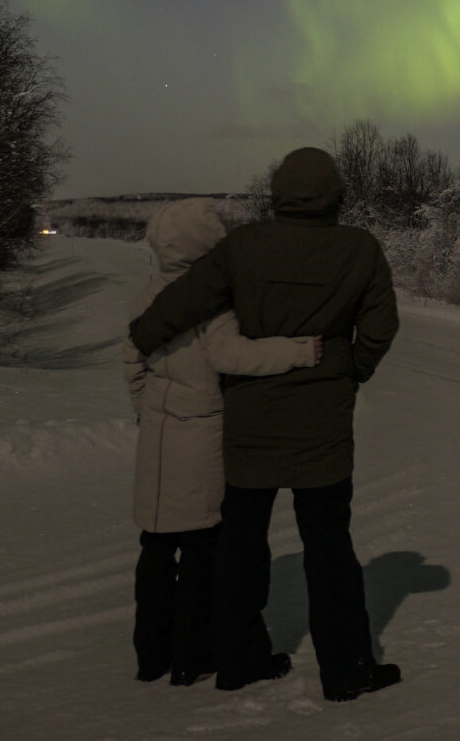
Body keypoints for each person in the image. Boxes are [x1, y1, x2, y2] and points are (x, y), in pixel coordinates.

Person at [129, 146, 402, 702]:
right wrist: (350, 371)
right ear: (335, 197)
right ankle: (346, 670)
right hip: (323, 425)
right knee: (329, 548)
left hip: (250, 424)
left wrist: (144, 334)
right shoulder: (360, 250)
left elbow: (184, 302)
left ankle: (238, 661)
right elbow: (380, 327)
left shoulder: (243, 246)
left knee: (241, 547)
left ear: (277, 194)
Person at [123, 198, 322, 685]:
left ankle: (151, 656)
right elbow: (232, 355)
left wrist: (151, 411)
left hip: (158, 435)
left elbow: (133, 363)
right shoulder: (210, 299)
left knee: (154, 547)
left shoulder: (146, 295)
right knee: (200, 551)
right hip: (203, 432)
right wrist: (298, 351)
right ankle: (193, 656)